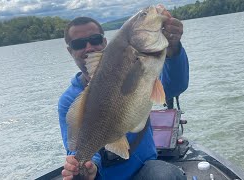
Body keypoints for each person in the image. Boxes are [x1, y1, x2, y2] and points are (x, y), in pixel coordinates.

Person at [58, 6, 189, 180]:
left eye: (95, 39)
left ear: (105, 42)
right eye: (79, 44)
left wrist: (174, 50)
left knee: (166, 176)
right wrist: (90, 167)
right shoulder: (69, 100)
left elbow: (174, 87)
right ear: (70, 50)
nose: (89, 47)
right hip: (104, 177)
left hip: (145, 169)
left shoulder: (139, 63)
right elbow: (78, 146)